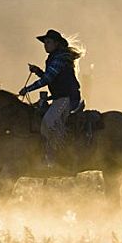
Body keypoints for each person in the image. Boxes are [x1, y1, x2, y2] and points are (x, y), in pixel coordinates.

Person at [18, 29, 83, 168]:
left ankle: (53, 158)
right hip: (62, 98)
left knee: (48, 123)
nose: (45, 45)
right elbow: (51, 77)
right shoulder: (57, 57)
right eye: (45, 43)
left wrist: (27, 89)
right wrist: (38, 72)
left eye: (48, 42)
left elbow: (48, 79)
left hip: (66, 99)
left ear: (56, 43)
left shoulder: (59, 58)